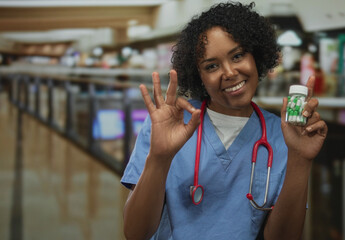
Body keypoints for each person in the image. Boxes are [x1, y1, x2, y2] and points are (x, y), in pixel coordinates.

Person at [121, 2, 328, 240]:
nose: (229, 72)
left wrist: (300, 160)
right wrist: (159, 158)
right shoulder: (167, 125)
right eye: (212, 66)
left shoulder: (285, 134)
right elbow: (135, 233)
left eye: (238, 55)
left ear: (256, 56)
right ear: (199, 75)